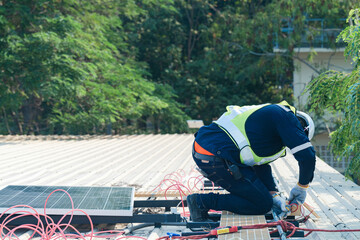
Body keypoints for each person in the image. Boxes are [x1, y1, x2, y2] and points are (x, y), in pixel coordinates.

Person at [187, 100, 316, 222]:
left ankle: (202, 201)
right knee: (261, 204)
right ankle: (200, 202)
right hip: (213, 153)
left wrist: (273, 194)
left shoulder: (271, 124)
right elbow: (307, 156)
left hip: (211, 151)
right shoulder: (285, 116)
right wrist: (302, 187)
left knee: (265, 198)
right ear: (303, 129)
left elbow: (260, 165)